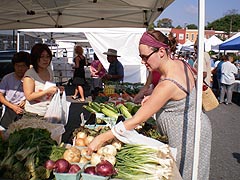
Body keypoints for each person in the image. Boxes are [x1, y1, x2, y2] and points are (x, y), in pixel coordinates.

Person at [87, 30, 212, 180]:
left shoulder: (168, 83)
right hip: (194, 127)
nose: (142, 61)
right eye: (141, 57)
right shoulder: (179, 64)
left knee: (186, 174)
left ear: (161, 51)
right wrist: (154, 97)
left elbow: (136, 120)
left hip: (188, 134)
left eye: (145, 57)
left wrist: (101, 138)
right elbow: (179, 93)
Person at [23, 43, 63, 117]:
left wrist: (57, 89)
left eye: (48, 56)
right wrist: (47, 91)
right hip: (34, 113)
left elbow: (49, 87)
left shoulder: (49, 70)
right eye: (42, 57)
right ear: (35, 58)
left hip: (50, 111)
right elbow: (29, 96)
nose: (45, 59)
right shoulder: (30, 74)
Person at [0, 51, 31, 129]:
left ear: (28, 66)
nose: (20, 69)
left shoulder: (31, 79)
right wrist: (13, 107)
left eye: (23, 66)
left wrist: (26, 101)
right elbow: (0, 96)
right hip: (9, 109)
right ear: (14, 66)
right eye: (17, 66)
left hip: (26, 111)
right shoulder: (7, 78)